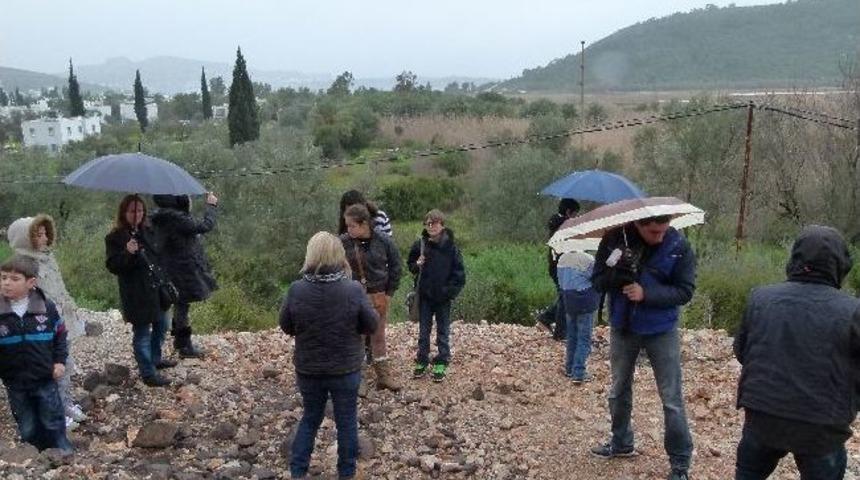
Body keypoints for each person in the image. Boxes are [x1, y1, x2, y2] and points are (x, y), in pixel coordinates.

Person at [733, 225, 860, 480]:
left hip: (763, 416)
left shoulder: (760, 298)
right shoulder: (853, 310)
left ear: (795, 259)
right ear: (840, 265)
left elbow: (741, 351)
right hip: (821, 426)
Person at [589, 215, 695, 480]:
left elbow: (685, 291)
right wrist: (617, 275)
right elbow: (598, 281)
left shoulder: (679, 245)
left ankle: (680, 464)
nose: (660, 236)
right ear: (638, 224)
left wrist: (646, 294)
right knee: (618, 390)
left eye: (663, 230)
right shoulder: (614, 239)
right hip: (623, 326)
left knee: (671, 399)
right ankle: (621, 443)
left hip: (662, 329)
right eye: (653, 232)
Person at [280, 231, 378, 480]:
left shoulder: (296, 289)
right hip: (345, 368)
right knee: (347, 421)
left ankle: (298, 472)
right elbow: (371, 324)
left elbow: (286, 326)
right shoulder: (353, 289)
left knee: (310, 418)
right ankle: (346, 473)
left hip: (309, 368)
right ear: (338, 255)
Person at [7, 214, 87, 429]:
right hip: (40, 326)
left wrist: (71, 308)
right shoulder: (21, 266)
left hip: (60, 320)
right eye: (38, 235)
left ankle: (64, 402)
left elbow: (59, 288)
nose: (44, 238)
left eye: (45, 234)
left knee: (64, 362)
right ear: (26, 238)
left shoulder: (48, 258)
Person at [0, 254, 73, 452]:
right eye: (3, 277)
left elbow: (60, 336)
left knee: (52, 417)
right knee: (26, 423)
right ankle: (34, 453)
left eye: (14, 279)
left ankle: (62, 450)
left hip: (44, 376)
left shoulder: (46, 308)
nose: (6, 283)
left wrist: (60, 362)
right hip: (14, 380)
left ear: (31, 282)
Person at [105, 195, 177, 387]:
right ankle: (148, 373)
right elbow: (113, 266)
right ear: (124, 213)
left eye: (139, 210)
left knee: (162, 325)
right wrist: (127, 252)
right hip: (136, 293)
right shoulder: (115, 237)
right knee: (142, 333)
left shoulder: (149, 231)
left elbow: (159, 256)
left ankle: (155, 359)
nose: (136, 214)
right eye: (132, 211)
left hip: (156, 289)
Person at [340, 204, 402, 392]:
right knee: (356, 337)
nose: (348, 229)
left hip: (378, 296)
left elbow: (396, 266)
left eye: (352, 225)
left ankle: (383, 377)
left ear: (364, 224)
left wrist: (389, 293)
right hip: (353, 295)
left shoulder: (384, 241)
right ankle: (357, 379)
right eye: (347, 226)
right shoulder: (343, 242)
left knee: (378, 336)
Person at [150, 192, 219, 359]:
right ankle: (183, 345)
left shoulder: (162, 217)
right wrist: (211, 206)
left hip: (169, 268)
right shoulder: (177, 218)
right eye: (187, 197)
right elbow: (205, 225)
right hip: (181, 269)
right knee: (182, 306)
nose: (189, 200)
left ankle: (180, 343)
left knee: (178, 305)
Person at [406, 209, 466, 382]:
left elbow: (459, 275)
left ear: (442, 225)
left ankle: (442, 360)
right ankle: (422, 360)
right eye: (428, 223)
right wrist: (417, 265)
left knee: (443, 331)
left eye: (434, 223)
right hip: (424, 296)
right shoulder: (420, 245)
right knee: (423, 331)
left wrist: (448, 292)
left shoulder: (451, 248)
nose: (431, 226)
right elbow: (410, 265)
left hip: (443, 298)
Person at [538, 198, 581, 340]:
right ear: (568, 212)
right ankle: (559, 330)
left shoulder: (557, 224)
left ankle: (549, 321)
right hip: (561, 266)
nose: (576, 216)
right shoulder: (564, 226)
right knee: (565, 297)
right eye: (575, 214)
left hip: (556, 265)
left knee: (564, 295)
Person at [557, 250, 600, 384]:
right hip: (585, 300)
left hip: (569, 300)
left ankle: (569, 368)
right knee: (584, 338)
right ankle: (579, 372)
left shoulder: (562, 259)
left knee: (572, 336)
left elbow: (560, 282)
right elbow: (597, 279)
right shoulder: (588, 259)